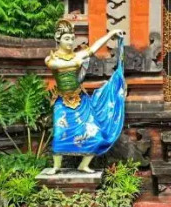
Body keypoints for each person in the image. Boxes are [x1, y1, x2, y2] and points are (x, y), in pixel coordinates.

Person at [43, 20, 127, 174]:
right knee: (60, 133)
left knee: (94, 133)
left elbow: (94, 48)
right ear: (57, 38)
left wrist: (110, 34)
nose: (70, 42)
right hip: (62, 102)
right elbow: (57, 65)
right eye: (66, 39)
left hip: (81, 100)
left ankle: (84, 164)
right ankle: (56, 166)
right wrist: (76, 61)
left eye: (72, 38)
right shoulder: (51, 59)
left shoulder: (77, 56)